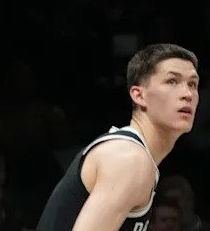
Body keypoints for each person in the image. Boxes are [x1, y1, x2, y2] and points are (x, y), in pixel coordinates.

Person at [36, 44, 200, 231]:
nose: (188, 94)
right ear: (139, 95)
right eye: (172, 81)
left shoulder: (133, 155)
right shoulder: (129, 158)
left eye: (192, 84)